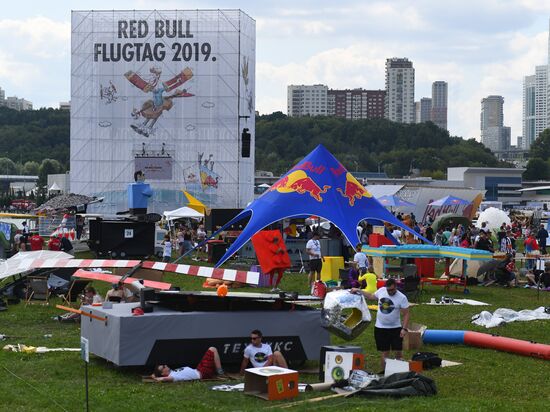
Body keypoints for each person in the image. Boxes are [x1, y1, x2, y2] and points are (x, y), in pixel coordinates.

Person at [352, 278, 410, 371]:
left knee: (398, 351)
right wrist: (359, 290)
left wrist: (404, 329)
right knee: (384, 352)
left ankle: (400, 372)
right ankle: (384, 372)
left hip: (396, 328)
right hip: (380, 328)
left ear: (396, 287)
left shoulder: (402, 297)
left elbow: (406, 314)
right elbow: (371, 296)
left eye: (392, 290)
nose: (390, 292)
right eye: (388, 290)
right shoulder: (382, 291)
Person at [152, 347, 225, 382]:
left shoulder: (172, 372)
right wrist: (158, 378)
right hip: (203, 373)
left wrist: (154, 375)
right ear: (163, 373)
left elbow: (154, 374)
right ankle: (220, 372)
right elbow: (164, 378)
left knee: (212, 350)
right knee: (212, 349)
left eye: (164, 365)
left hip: (198, 369)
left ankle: (217, 370)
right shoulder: (173, 376)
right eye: (163, 367)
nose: (165, 365)